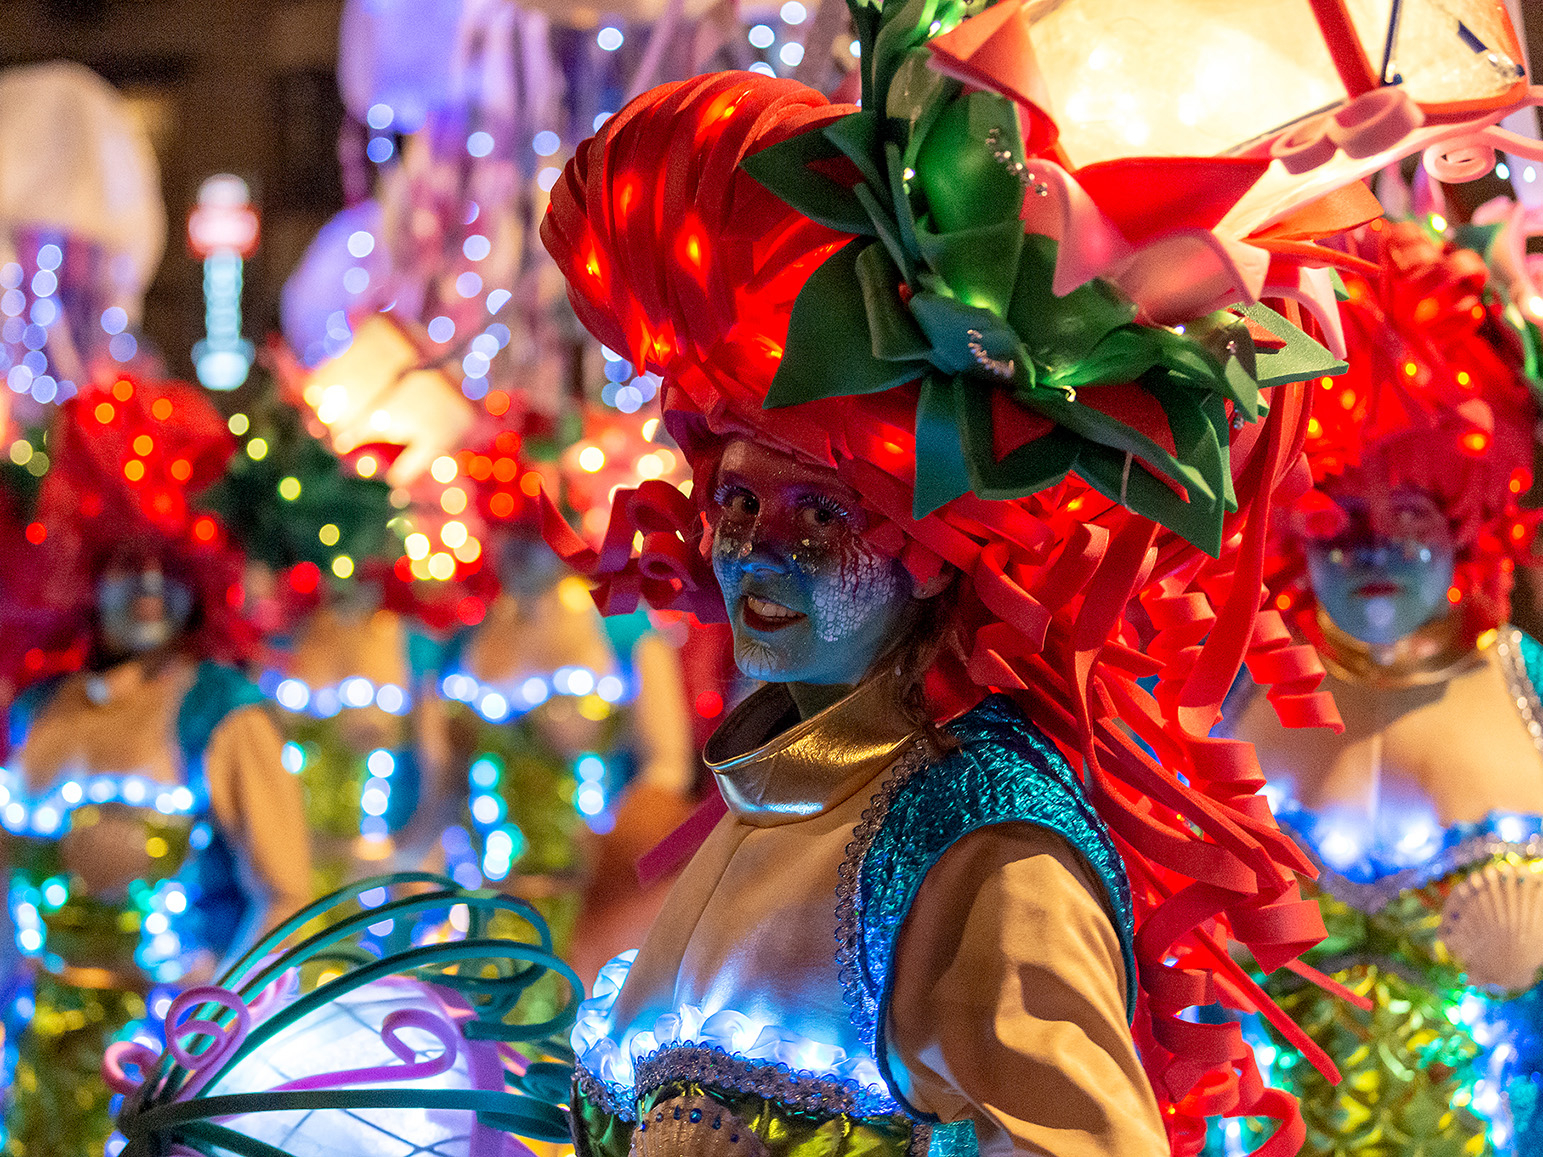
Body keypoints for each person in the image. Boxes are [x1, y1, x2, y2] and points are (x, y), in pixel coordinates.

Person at [532, 49, 1376, 1155]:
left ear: (934, 550)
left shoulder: (980, 835)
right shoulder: (771, 795)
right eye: (735, 499)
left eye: (821, 514)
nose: (753, 551)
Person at [1225, 221, 1543, 1155]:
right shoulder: (1220, 695)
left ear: (1466, 503)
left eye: (1405, 511)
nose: (1366, 547)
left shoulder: (1531, 691)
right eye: (1334, 509)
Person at [0, 378, 312, 1157]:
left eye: (165, 567)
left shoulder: (223, 710)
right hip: (31, 1055)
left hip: (156, 1069)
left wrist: (206, 1037)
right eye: (124, 564)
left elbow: (286, 892)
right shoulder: (38, 709)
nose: (145, 589)